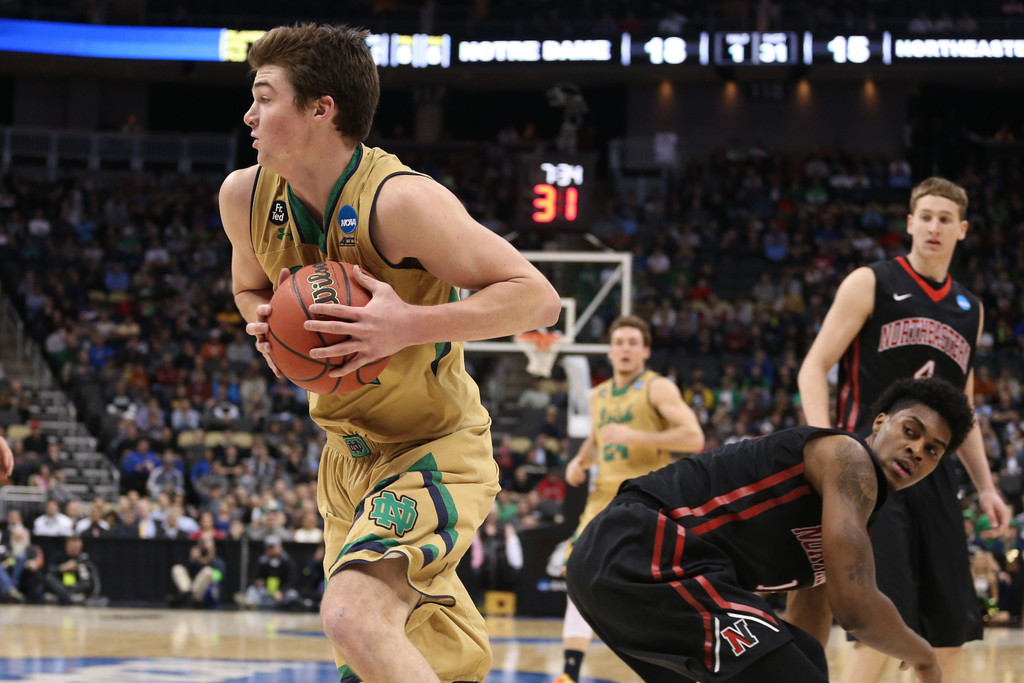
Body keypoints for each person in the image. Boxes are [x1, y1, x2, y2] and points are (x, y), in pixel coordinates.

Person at [218, 23, 560, 683]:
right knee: (393, 661)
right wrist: (267, 327)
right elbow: (247, 287)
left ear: (323, 108)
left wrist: (407, 323)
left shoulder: (401, 202)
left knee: (352, 615)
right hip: (345, 461)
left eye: (265, 96)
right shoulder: (245, 196)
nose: (249, 114)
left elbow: (538, 298)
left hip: (433, 445)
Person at [567, 377, 975, 683]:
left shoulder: (849, 516)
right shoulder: (847, 458)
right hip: (644, 546)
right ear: (880, 422)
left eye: (933, 451)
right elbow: (855, 607)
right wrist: (923, 655)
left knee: (806, 656)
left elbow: (810, 613)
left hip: (620, 571)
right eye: (910, 431)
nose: (917, 450)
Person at [797, 177, 1011, 683]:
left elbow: (964, 410)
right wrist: (821, 445)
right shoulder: (869, 281)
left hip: (935, 476)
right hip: (869, 471)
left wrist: (986, 487)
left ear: (962, 230)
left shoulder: (970, 309)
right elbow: (814, 366)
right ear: (910, 222)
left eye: (945, 219)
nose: (934, 227)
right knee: (878, 623)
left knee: (949, 633)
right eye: (926, 216)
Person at [554, 315, 705, 683]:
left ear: (645, 351)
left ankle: (677, 666)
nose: (625, 348)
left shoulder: (658, 388)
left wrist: (635, 437)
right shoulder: (597, 395)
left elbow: (693, 438)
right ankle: (569, 674)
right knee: (577, 573)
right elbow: (599, 439)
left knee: (647, 584)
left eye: (632, 343)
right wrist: (581, 459)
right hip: (601, 498)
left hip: (644, 497)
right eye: (619, 341)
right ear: (609, 350)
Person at [170, 537, 226, 608]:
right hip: (190, 587)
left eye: (209, 548)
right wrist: (193, 561)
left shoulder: (218, 562)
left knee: (207, 571)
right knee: (177, 568)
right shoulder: (197, 560)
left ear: (214, 548)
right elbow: (189, 575)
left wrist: (209, 562)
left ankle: (190, 597)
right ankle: (187, 595)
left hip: (208, 592)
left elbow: (218, 578)